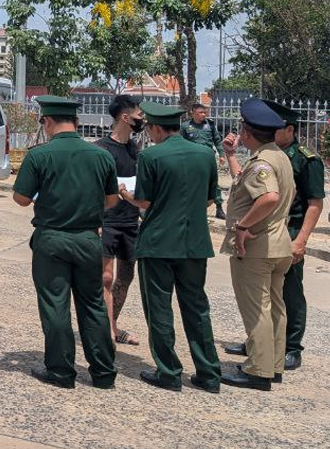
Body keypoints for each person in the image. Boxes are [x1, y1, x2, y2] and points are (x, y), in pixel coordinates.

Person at [11, 96, 119, 390]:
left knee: (55, 305)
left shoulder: (39, 155)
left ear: (46, 121)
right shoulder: (101, 155)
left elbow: (20, 199)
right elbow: (111, 200)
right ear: (77, 122)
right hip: (88, 239)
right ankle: (104, 372)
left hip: (52, 240)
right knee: (93, 304)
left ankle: (61, 371)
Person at [123, 102, 223, 393]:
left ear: (155, 128)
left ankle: (168, 372)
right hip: (194, 243)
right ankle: (208, 374)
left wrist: (125, 195)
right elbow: (209, 199)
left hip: (158, 243)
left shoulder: (151, 156)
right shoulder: (205, 155)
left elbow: (145, 201)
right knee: (197, 309)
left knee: (159, 308)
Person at [234, 101, 324, 372]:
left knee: (289, 293)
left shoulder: (305, 159)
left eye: (278, 128)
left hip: (290, 227)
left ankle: (291, 347)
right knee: (267, 298)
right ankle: (262, 346)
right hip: (275, 225)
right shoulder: (274, 155)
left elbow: (314, 202)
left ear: (289, 129)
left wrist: (302, 240)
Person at [216, 99, 295, 391]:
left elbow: (268, 197)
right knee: (275, 307)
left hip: (258, 246)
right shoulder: (278, 157)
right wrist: (231, 155)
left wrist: (243, 226)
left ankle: (258, 371)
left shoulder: (261, 162)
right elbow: (249, 183)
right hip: (278, 244)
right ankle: (272, 365)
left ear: (247, 133)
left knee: (257, 309)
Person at [95, 94, 144, 346]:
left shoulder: (136, 150)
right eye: (138, 115)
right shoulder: (101, 149)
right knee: (105, 277)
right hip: (107, 221)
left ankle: (112, 324)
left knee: (126, 277)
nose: (142, 120)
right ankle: (106, 331)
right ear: (125, 117)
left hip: (130, 222)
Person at [181, 101, 226, 220]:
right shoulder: (185, 126)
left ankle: (219, 208)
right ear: (193, 113)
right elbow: (180, 144)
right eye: (200, 112)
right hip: (192, 161)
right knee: (192, 184)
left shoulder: (210, 125)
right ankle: (192, 209)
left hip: (208, 159)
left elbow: (217, 140)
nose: (204, 115)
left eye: (204, 112)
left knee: (214, 183)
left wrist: (221, 154)